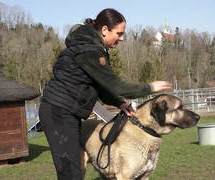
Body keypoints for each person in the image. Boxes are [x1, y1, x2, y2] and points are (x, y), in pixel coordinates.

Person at [39, 8, 172, 180]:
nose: (122, 38)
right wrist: (150, 87)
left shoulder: (92, 47)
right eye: (119, 33)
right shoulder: (90, 51)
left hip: (64, 112)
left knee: (73, 172)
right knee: (71, 174)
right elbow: (117, 86)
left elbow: (101, 88)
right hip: (58, 112)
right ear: (104, 30)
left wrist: (119, 103)